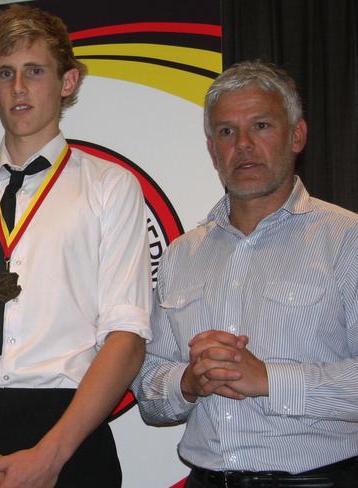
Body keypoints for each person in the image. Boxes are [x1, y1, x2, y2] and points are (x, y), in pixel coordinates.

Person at [0, 5, 151, 488]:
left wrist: (51, 456)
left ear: (68, 82)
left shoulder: (110, 188)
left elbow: (127, 336)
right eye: (5, 74)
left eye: (35, 72)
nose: (19, 88)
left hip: (69, 429)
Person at [133, 60, 358, 487]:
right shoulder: (182, 254)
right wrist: (187, 381)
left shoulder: (348, 239)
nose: (243, 145)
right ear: (211, 148)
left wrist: (270, 379)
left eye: (261, 125)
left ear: (297, 136)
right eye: (226, 131)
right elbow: (148, 388)